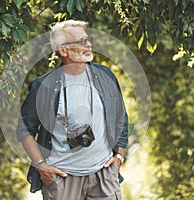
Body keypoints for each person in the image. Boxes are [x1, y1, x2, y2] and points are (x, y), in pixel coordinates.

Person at [16, 20, 128, 200]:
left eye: (88, 39)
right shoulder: (43, 87)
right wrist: (41, 166)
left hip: (103, 175)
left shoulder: (106, 76)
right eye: (81, 41)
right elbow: (24, 130)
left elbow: (120, 118)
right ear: (63, 50)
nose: (89, 45)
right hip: (62, 179)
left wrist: (119, 158)